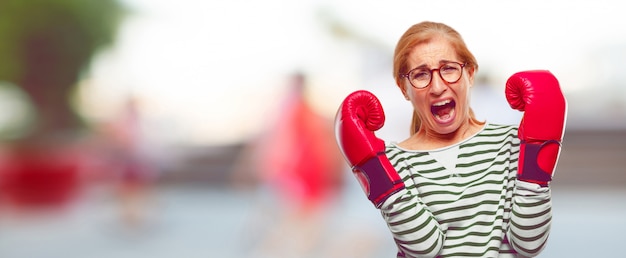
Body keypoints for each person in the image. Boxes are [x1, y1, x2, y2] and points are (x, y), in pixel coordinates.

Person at [335, 21, 567, 257]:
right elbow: (424, 249)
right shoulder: (392, 162)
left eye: (448, 69)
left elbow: (529, 243)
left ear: (470, 73)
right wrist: (377, 176)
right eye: (420, 74)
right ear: (404, 88)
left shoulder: (511, 145)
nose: (437, 87)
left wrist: (535, 174)